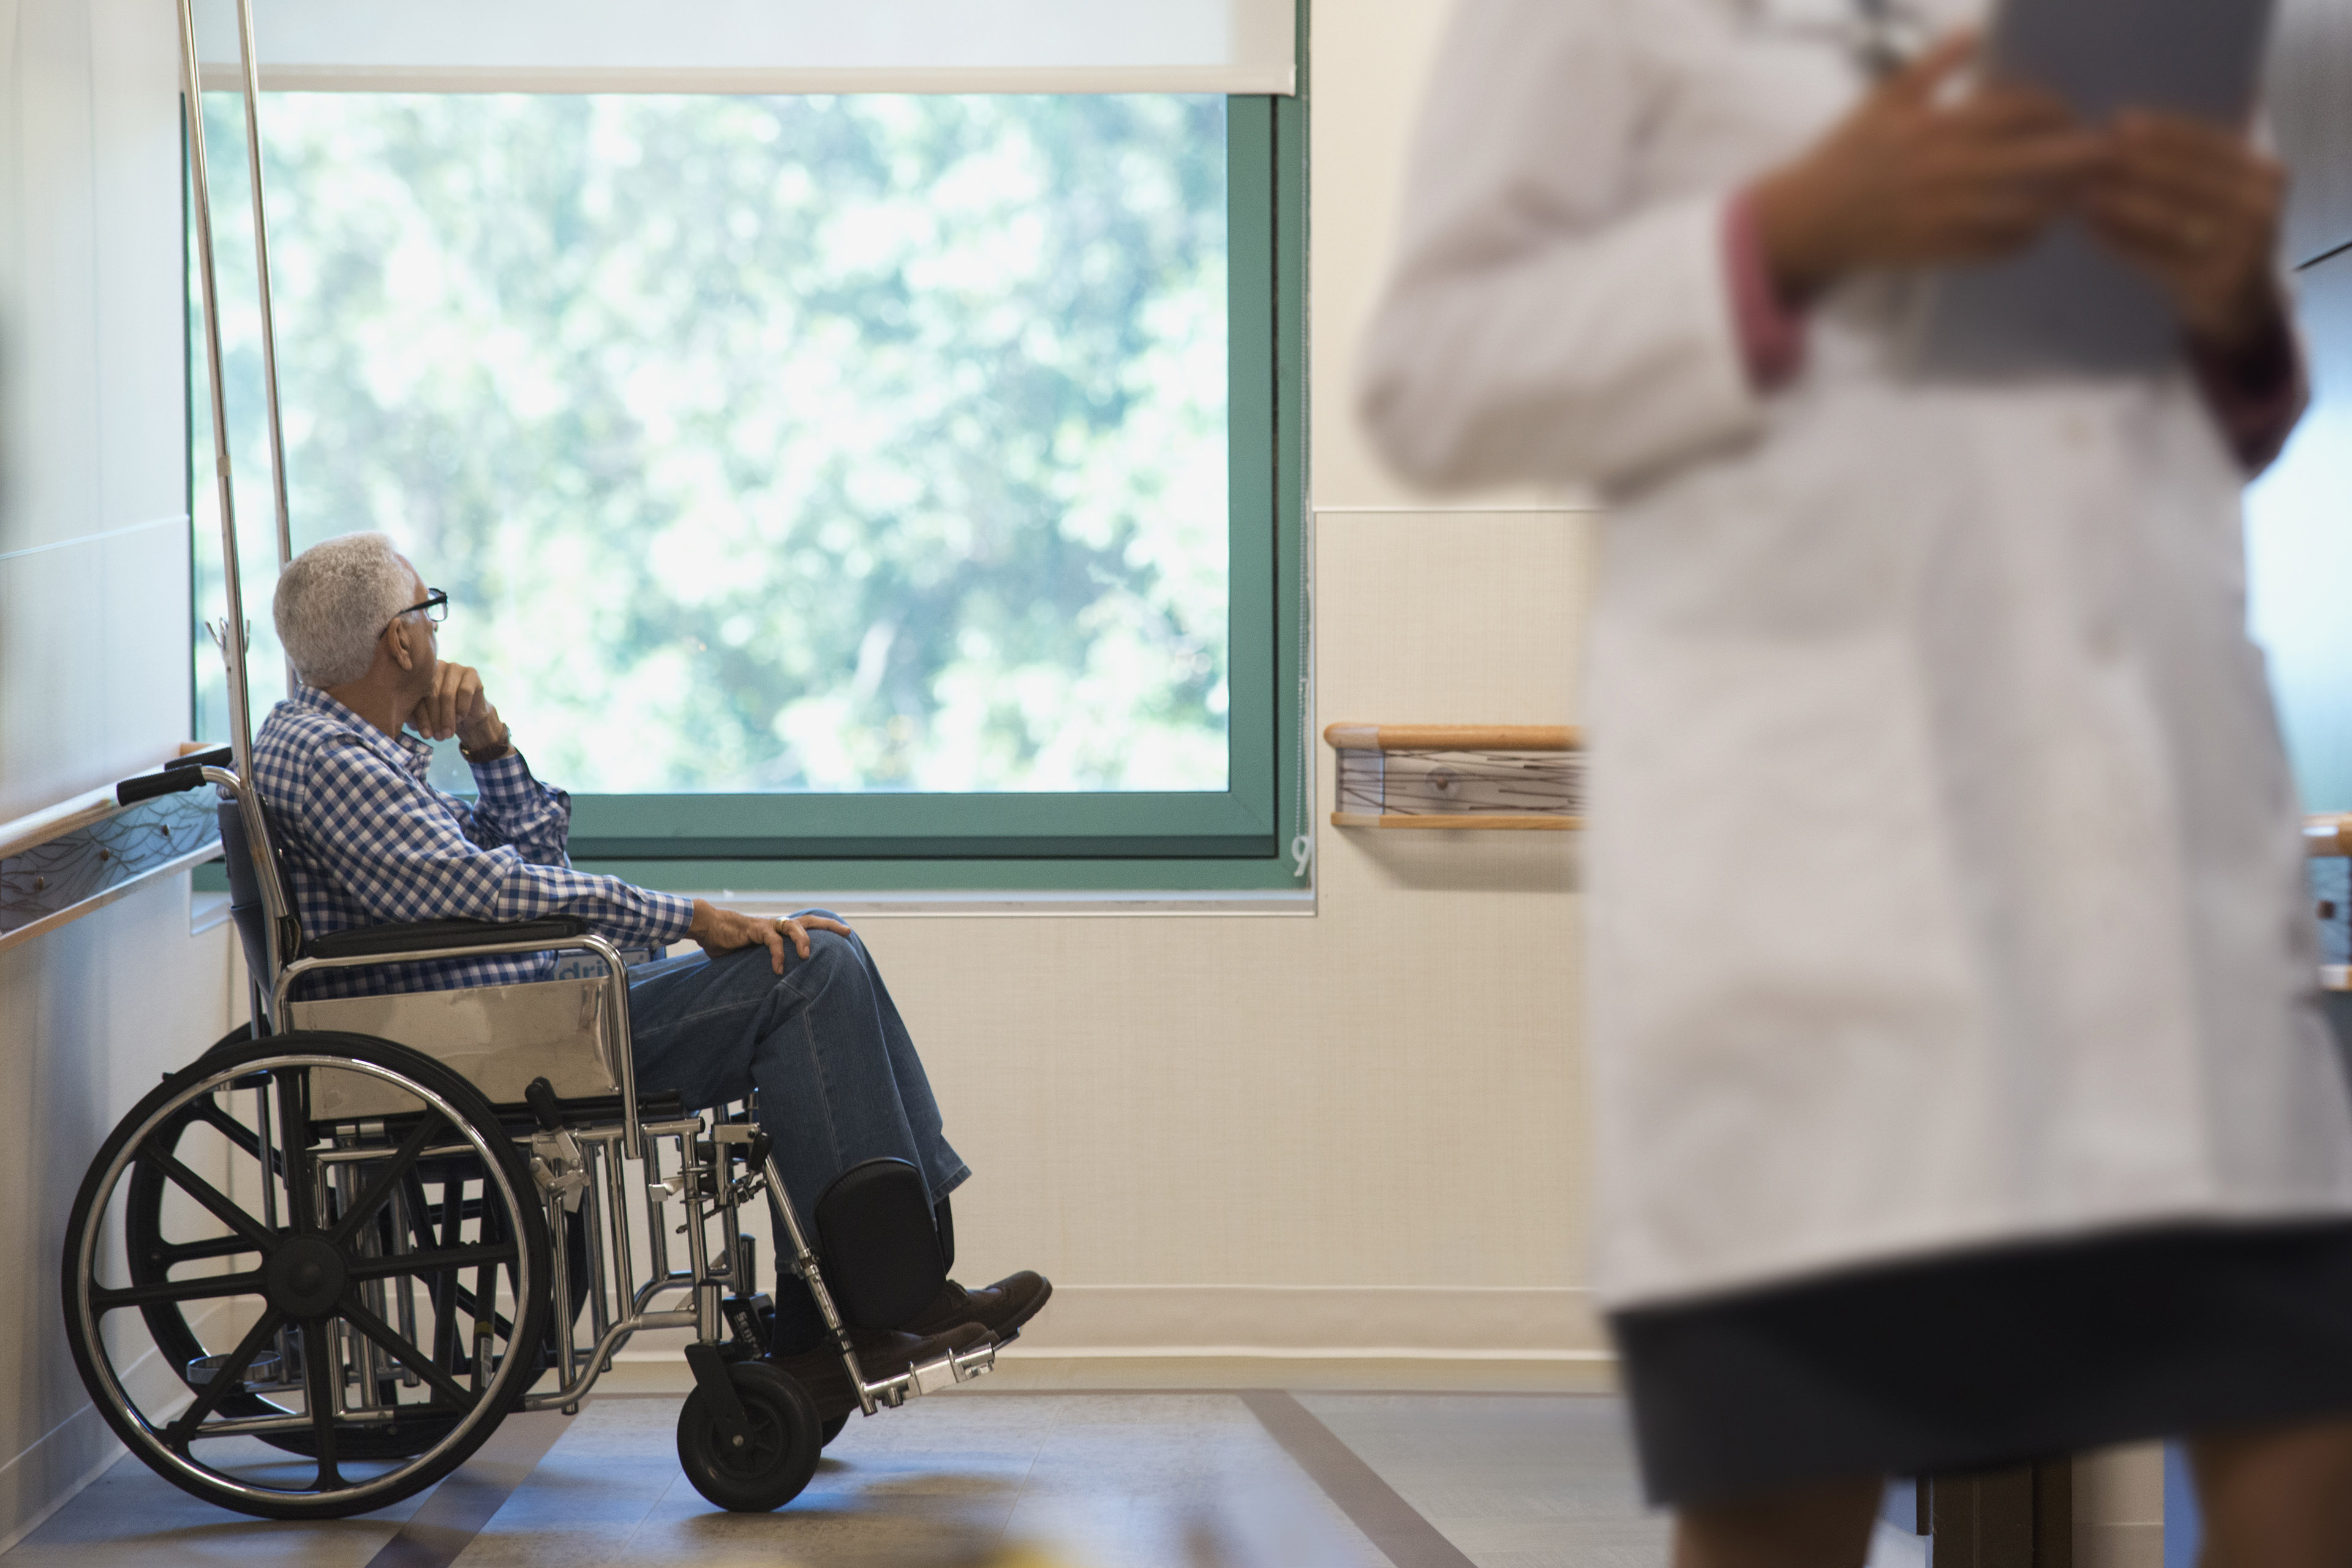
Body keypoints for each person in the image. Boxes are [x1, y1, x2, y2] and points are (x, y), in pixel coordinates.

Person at [1360, 4, 2352, 1566]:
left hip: (2170, 887)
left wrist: (2233, 304)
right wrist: (1783, 240)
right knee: (1788, 1504)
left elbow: (2216, 427)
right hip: (1824, 905)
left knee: (2307, 1454)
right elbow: (1436, 374)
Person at [254, 530, 1050, 1412]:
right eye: (427, 610)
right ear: (398, 640)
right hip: (476, 1040)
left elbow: (533, 854)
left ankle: (878, 1300)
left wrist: (487, 742)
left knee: (828, 947)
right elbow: (484, 888)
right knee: (809, 968)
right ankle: (866, 1311)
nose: (439, 635)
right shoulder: (333, 759)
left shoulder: (351, 747)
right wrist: (690, 918)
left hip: (509, 1011)